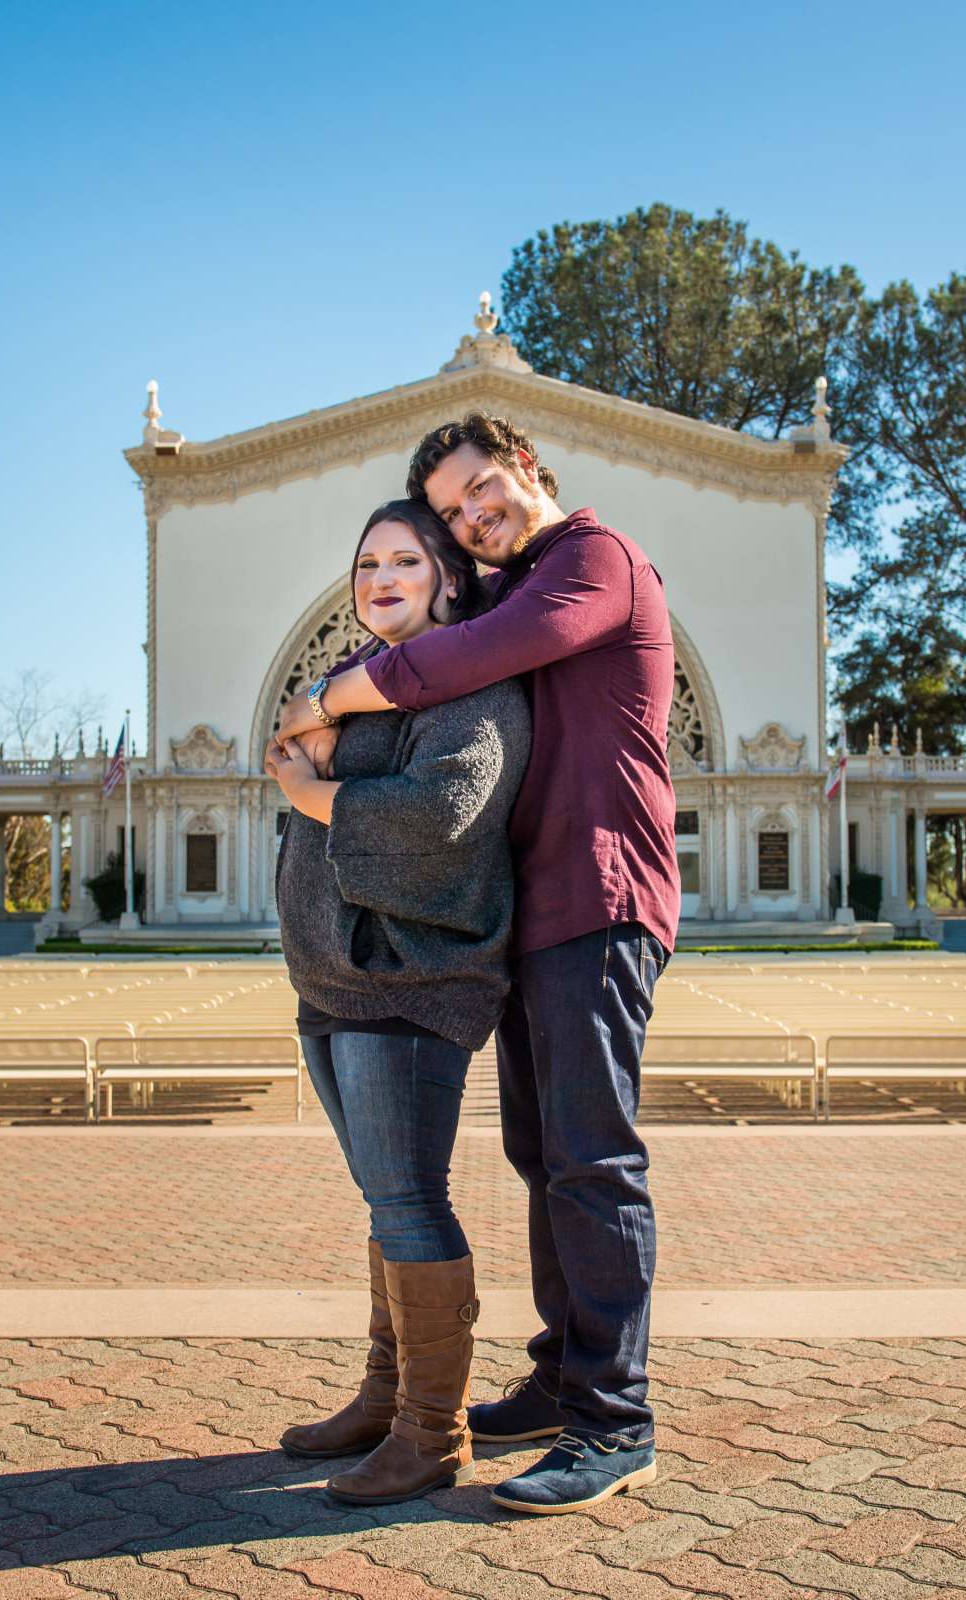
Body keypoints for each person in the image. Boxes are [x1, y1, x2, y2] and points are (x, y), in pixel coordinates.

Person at [274, 414, 678, 1515]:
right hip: (537, 912)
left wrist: (332, 698)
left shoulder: (594, 560)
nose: (471, 517)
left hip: (599, 897)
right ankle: (561, 1375)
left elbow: (463, 659)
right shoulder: (513, 584)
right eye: (451, 512)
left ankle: (615, 1417)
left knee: (593, 1160)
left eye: (480, 491)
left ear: (530, 468)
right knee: (543, 1154)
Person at [265, 498, 531, 1507]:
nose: (380, 578)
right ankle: (385, 1394)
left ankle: (433, 1430)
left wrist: (318, 791)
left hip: (409, 982)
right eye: (366, 561)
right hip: (331, 981)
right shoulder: (355, 687)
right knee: (386, 1200)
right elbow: (289, 749)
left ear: (448, 579)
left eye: (405, 561)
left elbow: (446, 809)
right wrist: (321, 749)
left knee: (411, 1200)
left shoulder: (472, 684)